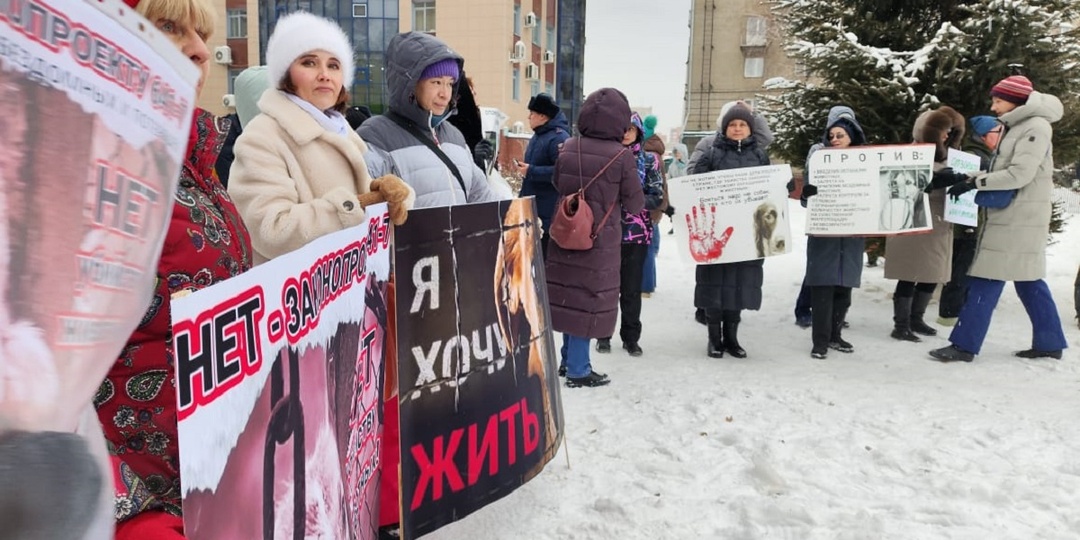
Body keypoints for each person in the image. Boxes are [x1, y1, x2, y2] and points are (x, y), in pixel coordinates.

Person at [95, 0, 254, 537]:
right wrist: (129, 511)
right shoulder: (86, 161)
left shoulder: (193, 161)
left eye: (201, 33)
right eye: (169, 26)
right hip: (137, 496)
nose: (199, 49)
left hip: (210, 474)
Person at [228, 12, 413, 266]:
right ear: (286, 75)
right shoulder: (263, 136)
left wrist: (391, 198)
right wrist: (351, 208)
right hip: (294, 297)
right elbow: (269, 229)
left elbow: (364, 216)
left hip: (347, 292)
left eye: (334, 65)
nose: (325, 74)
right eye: (309, 63)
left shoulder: (340, 132)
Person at [930, 75, 1069, 362]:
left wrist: (974, 184)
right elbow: (1003, 168)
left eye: (998, 100)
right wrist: (961, 176)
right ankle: (1049, 341)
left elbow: (1020, 174)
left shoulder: (1035, 127)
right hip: (1016, 215)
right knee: (1029, 281)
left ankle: (964, 345)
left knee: (985, 278)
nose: (993, 107)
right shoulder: (1019, 125)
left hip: (1018, 217)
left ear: (1016, 100)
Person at [545, 87, 644, 387]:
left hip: (564, 233)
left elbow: (556, 181)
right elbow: (636, 203)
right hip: (598, 240)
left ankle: (566, 361)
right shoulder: (621, 156)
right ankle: (577, 368)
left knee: (567, 296)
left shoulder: (568, 146)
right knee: (586, 302)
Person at [359, 32, 503, 207]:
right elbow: (363, 206)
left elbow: (483, 198)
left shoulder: (454, 136)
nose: (445, 94)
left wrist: (518, 221)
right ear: (410, 85)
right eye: (436, 82)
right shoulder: (377, 135)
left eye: (450, 83)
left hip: (457, 235)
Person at [689, 104, 769, 358]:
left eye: (742, 125)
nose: (737, 129)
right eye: (732, 125)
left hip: (747, 234)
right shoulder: (712, 153)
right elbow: (695, 184)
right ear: (725, 128)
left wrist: (783, 185)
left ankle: (732, 338)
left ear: (750, 129)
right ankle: (714, 339)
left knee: (738, 285)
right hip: (717, 232)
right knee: (715, 285)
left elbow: (770, 190)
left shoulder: (759, 155)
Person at [885, 106, 969, 342]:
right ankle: (901, 324)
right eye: (942, 131)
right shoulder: (912, 153)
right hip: (914, 219)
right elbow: (899, 185)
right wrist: (933, 181)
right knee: (909, 271)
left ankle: (916, 318)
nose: (946, 136)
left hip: (941, 220)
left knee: (932, 271)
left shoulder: (954, 155)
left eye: (950, 131)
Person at [796, 106, 866, 359]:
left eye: (841, 136)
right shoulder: (818, 161)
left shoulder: (865, 163)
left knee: (843, 291)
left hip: (852, 238)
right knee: (822, 289)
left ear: (852, 138)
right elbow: (805, 200)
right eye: (832, 136)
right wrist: (807, 194)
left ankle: (836, 335)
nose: (835, 140)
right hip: (824, 235)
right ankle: (820, 341)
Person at [594, 112, 664, 357]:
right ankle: (603, 335)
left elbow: (657, 195)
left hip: (637, 235)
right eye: (622, 129)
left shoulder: (648, 161)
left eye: (631, 129)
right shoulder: (604, 158)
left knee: (632, 289)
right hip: (607, 233)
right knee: (607, 288)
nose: (626, 133)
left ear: (638, 133)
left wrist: (633, 201)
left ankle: (631, 337)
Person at [937, 115, 1001, 326]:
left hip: (976, 221)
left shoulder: (988, 156)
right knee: (960, 269)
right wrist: (967, 225)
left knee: (965, 268)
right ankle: (949, 314)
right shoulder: (975, 157)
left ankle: (955, 310)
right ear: (983, 135)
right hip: (967, 224)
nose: (1001, 136)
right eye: (997, 132)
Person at [516, 93, 570, 257]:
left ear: (542, 116)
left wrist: (531, 171)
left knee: (542, 262)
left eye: (532, 113)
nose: (528, 117)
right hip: (532, 210)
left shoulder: (558, 138)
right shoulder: (539, 135)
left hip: (547, 214)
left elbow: (563, 172)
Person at [641, 115, 668, 296]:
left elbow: (656, 184)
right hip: (654, 204)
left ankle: (646, 286)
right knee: (648, 245)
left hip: (648, 205)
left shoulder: (649, 156)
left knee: (646, 248)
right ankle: (649, 282)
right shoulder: (657, 153)